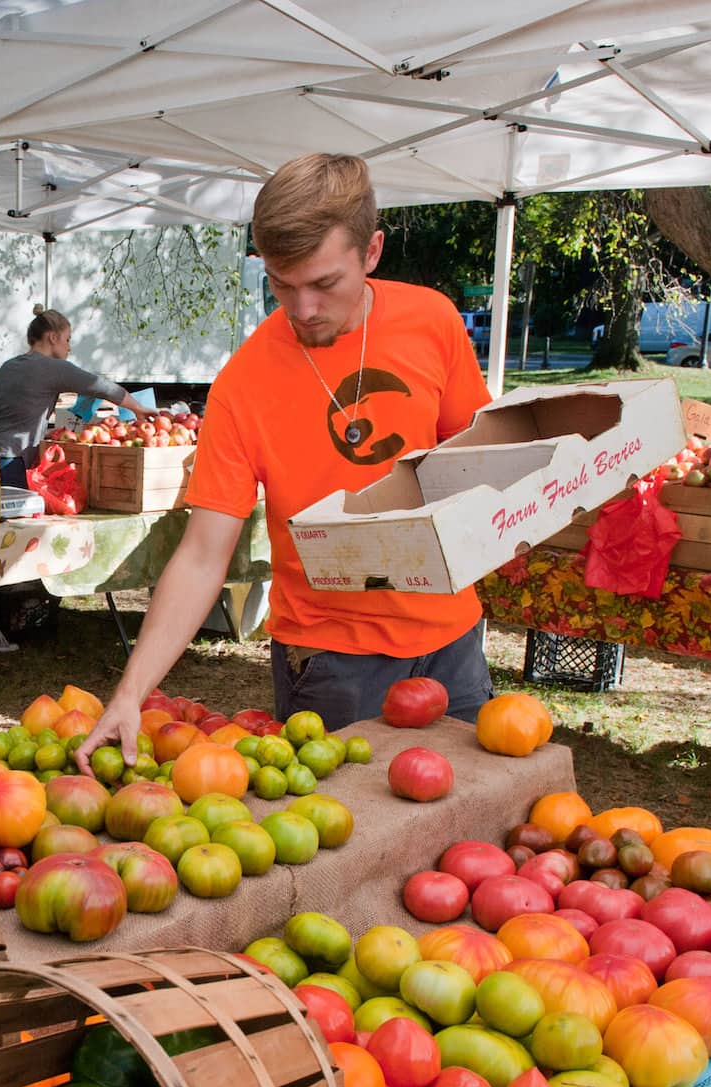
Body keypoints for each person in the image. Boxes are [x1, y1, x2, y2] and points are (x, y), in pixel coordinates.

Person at [77, 153, 494, 772]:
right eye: (281, 283)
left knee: (469, 824)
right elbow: (201, 555)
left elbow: (474, 457)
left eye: (324, 284)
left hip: (454, 639)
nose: (302, 310)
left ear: (372, 251)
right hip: (332, 663)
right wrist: (131, 693)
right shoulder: (243, 384)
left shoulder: (432, 320)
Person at [0, 307, 139, 492]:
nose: (69, 348)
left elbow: (14, 412)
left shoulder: (8, 366)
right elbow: (105, 388)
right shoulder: (55, 368)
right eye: (67, 340)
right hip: (6, 461)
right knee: (5, 520)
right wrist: (140, 409)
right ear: (53, 338)